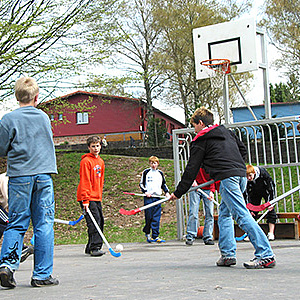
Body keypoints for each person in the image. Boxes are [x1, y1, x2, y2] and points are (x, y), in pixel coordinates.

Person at [169, 107, 275, 269]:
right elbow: (242, 150)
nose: (194, 129)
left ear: (201, 123)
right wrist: (236, 166)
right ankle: (227, 254)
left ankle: (265, 254)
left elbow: (192, 168)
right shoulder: (226, 133)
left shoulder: (201, 139)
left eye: (194, 125)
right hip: (240, 176)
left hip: (228, 178)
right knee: (225, 214)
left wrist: (178, 192)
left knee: (241, 214)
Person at [0, 77, 58, 288]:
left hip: (19, 176)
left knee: (16, 222)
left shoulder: (8, 119)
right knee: (43, 223)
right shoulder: (43, 117)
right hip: (43, 175)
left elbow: (1, 148)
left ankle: (7, 265)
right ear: (36, 97)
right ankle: (42, 274)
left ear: (16, 96)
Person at [77, 136, 106, 257]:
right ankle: (95, 247)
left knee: (100, 221)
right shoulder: (86, 161)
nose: (96, 148)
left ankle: (90, 246)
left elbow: (101, 180)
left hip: (96, 196)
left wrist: (99, 195)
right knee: (94, 222)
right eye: (93, 146)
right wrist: (85, 199)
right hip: (87, 197)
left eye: (97, 145)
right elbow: (85, 180)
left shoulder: (101, 161)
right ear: (89, 147)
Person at [0, 172, 34, 263]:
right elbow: (8, 199)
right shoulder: (5, 178)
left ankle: (19, 246)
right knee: (8, 221)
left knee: (8, 222)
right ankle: (20, 247)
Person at [139, 156, 170, 243]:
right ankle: (147, 233)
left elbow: (163, 184)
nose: (153, 165)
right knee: (149, 217)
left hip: (157, 198)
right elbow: (141, 184)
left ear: (158, 164)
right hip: (149, 198)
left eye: (155, 163)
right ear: (149, 163)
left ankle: (155, 236)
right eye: (152, 163)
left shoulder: (160, 173)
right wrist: (145, 192)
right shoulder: (146, 172)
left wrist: (167, 193)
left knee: (156, 218)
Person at [244, 164, 277, 241]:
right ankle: (251, 234)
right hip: (254, 193)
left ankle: (271, 233)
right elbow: (245, 193)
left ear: (254, 173)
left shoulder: (263, 174)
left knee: (271, 210)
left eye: (250, 176)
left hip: (266, 191)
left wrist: (271, 202)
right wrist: (249, 207)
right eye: (247, 176)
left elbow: (271, 188)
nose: (249, 178)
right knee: (252, 213)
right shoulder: (246, 180)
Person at [186, 168, 217, 246]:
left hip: (208, 188)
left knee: (209, 213)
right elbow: (191, 170)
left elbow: (214, 176)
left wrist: (212, 191)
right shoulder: (197, 158)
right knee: (193, 211)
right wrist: (192, 180)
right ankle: (191, 236)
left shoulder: (211, 162)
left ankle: (208, 236)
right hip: (195, 187)